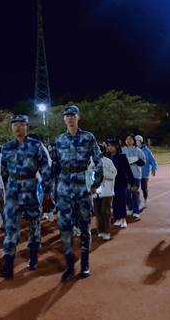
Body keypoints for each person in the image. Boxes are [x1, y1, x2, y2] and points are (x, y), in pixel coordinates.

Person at [0, 115, 52, 279]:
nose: (18, 128)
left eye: (21, 125)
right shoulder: (6, 147)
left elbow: (45, 168)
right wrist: (8, 188)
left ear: (27, 127)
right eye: (15, 125)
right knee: (10, 228)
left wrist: (47, 190)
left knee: (34, 225)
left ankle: (33, 257)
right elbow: (4, 171)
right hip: (13, 191)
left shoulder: (36, 146)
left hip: (31, 188)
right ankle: (8, 263)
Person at [53, 105, 103, 281]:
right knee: (65, 229)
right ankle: (69, 265)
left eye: (73, 115)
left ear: (78, 117)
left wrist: (96, 182)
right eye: (67, 116)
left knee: (84, 227)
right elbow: (55, 167)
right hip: (64, 189)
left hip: (82, 187)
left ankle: (85, 264)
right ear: (64, 119)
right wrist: (54, 190)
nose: (70, 118)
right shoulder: (59, 140)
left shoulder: (88, 137)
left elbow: (98, 161)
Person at [107, 139, 134, 229]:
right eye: (108, 145)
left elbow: (128, 170)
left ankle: (123, 219)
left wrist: (132, 182)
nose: (109, 147)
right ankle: (117, 218)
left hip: (121, 182)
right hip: (112, 183)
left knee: (121, 200)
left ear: (117, 146)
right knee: (114, 202)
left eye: (111, 145)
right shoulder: (109, 156)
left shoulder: (122, 157)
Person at [93, 144, 116, 239]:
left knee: (105, 211)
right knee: (97, 212)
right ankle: (100, 230)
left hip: (107, 191)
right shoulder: (90, 163)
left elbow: (114, 174)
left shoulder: (108, 161)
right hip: (95, 192)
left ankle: (107, 231)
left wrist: (103, 174)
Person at [122, 134, 145, 220]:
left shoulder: (138, 151)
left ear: (133, 141)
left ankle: (136, 212)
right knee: (127, 193)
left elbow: (143, 162)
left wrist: (136, 161)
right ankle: (130, 208)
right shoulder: (122, 150)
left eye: (130, 139)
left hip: (135, 175)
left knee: (134, 193)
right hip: (126, 176)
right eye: (127, 139)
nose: (128, 140)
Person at [135, 135, 157, 209]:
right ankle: (137, 203)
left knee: (144, 188)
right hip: (135, 173)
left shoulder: (147, 151)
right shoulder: (133, 150)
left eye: (138, 141)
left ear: (141, 141)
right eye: (135, 140)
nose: (136, 142)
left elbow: (152, 160)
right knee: (135, 189)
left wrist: (154, 169)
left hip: (144, 174)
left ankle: (145, 199)